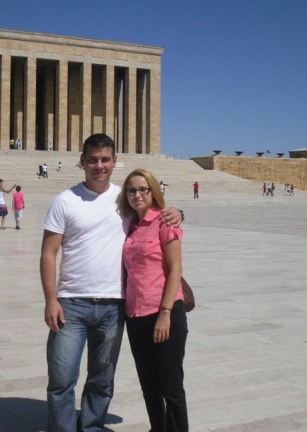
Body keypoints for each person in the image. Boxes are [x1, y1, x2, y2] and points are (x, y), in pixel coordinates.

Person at [40, 133, 183, 432]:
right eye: (92, 159)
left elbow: (155, 216)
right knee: (62, 379)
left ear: (115, 162)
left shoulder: (126, 200)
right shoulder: (64, 200)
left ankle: (91, 428)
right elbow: (49, 253)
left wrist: (179, 212)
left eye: (105, 160)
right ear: (82, 161)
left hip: (114, 306)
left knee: (102, 379)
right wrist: (50, 300)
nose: (99, 166)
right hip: (71, 304)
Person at [118, 168, 189, 432]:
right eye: (132, 190)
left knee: (171, 388)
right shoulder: (129, 224)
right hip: (135, 316)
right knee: (149, 386)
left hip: (164, 313)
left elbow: (176, 270)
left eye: (143, 189)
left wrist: (165, 313)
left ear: (153, 191)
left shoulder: (164, 222)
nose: (137, 195)